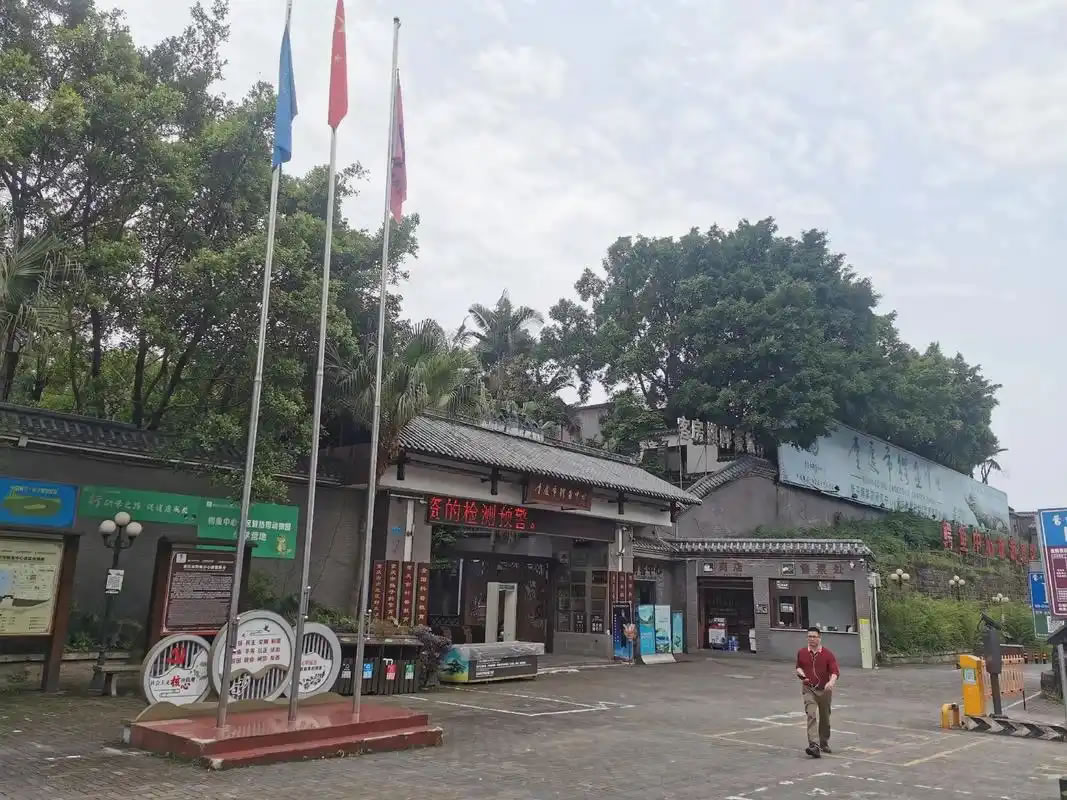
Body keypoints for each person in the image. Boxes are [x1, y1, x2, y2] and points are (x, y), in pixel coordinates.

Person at [795, 626, 839, 758]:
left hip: (824, 690)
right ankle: (814, 745)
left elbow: (835, 671)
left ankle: (824, 742)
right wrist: (801, 674)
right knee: (811, 714)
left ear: (819, 638)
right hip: (809, 689)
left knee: (825, 718)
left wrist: (831, 682)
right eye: (809, 636)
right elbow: (798, 667)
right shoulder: (802, 652)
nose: (811, 639)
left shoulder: (828, 654)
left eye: (814, 637)